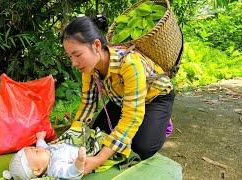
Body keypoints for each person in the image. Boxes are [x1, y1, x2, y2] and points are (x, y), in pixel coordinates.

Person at [62, 15, 175, 174]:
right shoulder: (89, 68)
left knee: (142, 147)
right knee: (97, 134)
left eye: (77, 55)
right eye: (70, 57)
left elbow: (132, 116)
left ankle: (163, 123)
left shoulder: (129, 63)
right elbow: (88, 104)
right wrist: (68, 138)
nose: (74, 63)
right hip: (121, 99)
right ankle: (147, 124)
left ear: (96, 45)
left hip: (155, 98)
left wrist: (98, 160)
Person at [2, 131, 86, 179]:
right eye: (36, 152)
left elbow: (41, 145)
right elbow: (70, 172)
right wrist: (79, 162)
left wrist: (40, 138)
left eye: (34, 148)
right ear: (38, 170)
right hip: (83, 151)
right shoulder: (55, 168)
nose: (38, 148)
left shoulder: (46, 153)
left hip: (74, 142)